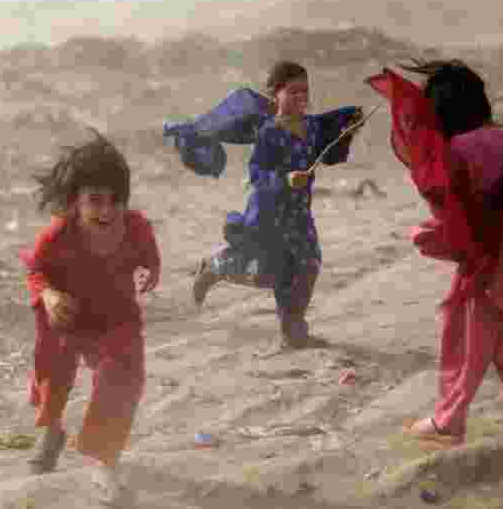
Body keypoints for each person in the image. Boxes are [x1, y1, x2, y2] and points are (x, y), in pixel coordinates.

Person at [366, 58, 503, 447]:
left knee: (470, 344)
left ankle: (449, 421)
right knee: (499, 340)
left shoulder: (454, 150)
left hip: (487, 262)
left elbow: (452, 206)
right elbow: (483, 210)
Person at [18, 130, 161, 505]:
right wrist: (49, 296)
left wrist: (150, 273)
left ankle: (104, 460)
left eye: (115, 202)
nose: (106, 212)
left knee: (124, 378)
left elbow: (150, 259)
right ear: (74, 203)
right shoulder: (57, 235)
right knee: (53, 373)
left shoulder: (136, 227)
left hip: (117, 318)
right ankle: (52, 429)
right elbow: (36, 271)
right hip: (68, 316)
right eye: (95, 201)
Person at [190, 61, 363, 351]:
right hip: (270, 214)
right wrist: (285, 179)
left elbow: (331, 151)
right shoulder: (269, 132)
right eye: (293, 91)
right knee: (267, 272)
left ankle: (293, 332)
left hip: (300, 215)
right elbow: (256, 175)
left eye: (305, 90)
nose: (301, 96)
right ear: (275, 94)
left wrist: (349, 130)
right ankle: (215, 267)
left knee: (307, 267)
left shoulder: (313, 126)